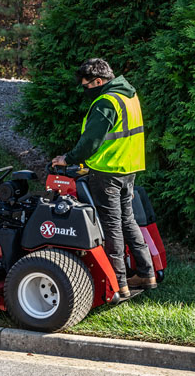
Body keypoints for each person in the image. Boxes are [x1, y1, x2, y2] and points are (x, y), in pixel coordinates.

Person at [51, 58, 156, 299]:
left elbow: (91, 141)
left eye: (86, 85)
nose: (85, 90)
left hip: (107, 172)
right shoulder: (128, 95)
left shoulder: (106, 102)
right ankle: (146, 273)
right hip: (128, 168)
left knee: (111, 226)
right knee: (127, 221)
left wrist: (68, 159)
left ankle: (119, 283)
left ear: (99, 81)